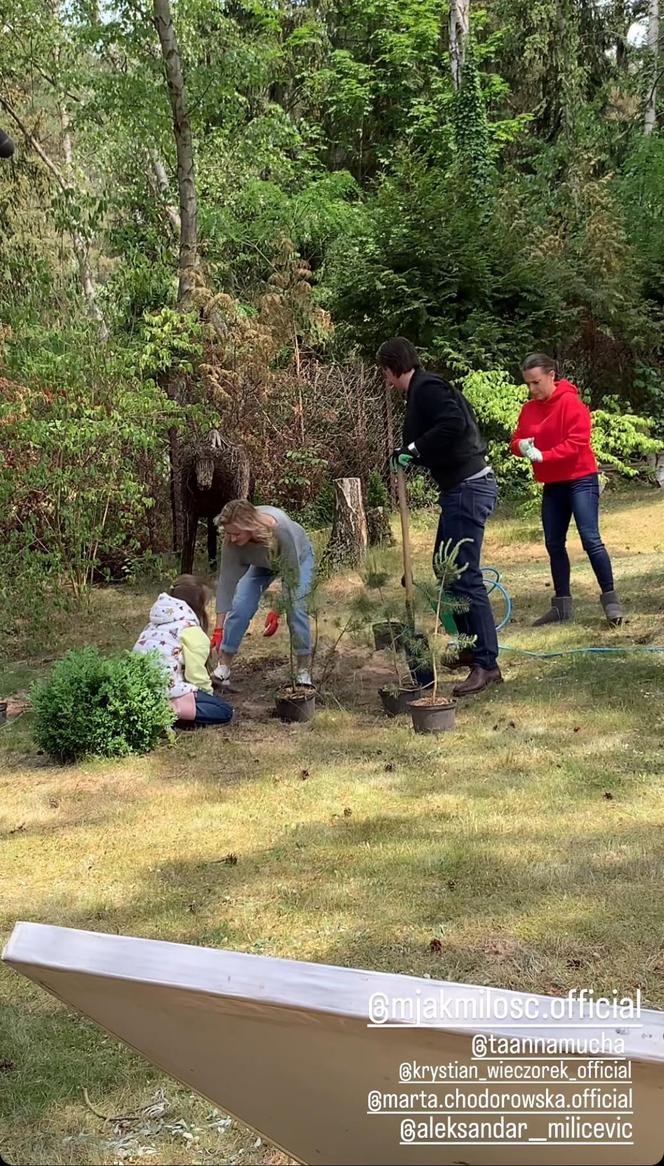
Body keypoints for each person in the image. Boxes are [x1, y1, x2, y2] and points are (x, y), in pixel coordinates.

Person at [377, 336, 501, 697]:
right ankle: (468, 646)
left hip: (469, 488)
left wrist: (412, 449)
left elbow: (452, 425)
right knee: (443, 569)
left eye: (384, 371)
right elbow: (440, 435)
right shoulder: (421, 390)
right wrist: (409, 454)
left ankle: (487, 664)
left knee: (463, 576)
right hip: (459, 489)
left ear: (392, 367)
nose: (385, 378)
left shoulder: (427, 386)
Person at [511, 354, 622, 627]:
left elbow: (577, 443)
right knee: (553, 543)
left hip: (580, 478)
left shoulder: (572, 404)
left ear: (551, 376)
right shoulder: (529, 409)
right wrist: (521, 447)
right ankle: (561, 605)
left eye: (536, 382)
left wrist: (544, 456)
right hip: (553, 484)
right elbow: (516, 439)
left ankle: (611, 601)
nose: (532, 389)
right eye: (528, 384)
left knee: (590, 538)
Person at [211, 499, 315, 689]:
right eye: (228, 533)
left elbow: (291, 577)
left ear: (250, 525)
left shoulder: (280, 530)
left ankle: (303, 670)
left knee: (296, 608)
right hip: (262, 563)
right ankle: (224, 667)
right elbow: (226, 584)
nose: (232, 538)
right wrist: (219, 629)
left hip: (298, 559)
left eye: (236, 533)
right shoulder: (232, 541)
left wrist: (277, 610)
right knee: (241, 606)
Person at [133, 575, 233, 726]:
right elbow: (196, 676)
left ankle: (156, 710)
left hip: (138, 690)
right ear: (197, 606)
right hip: (165, 692)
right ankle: (166, 712)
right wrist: (208, 696)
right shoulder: (191, 630)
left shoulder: (154, 624)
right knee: (224, 711)